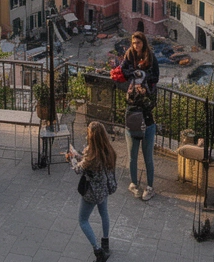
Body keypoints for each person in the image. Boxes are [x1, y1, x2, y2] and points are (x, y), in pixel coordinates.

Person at [67, 121, 118, 262]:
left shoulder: (91, 155)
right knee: (104, 213)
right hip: (104, 189)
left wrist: (72, 158)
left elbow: (78, 169)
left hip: (91, 193)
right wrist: (78, 156)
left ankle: (98, 251)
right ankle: (105, 241)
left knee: (83, 220)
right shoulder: (108, 151)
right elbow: (86, 162)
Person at [120, 31, 159, 201]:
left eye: (139, 43)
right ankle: (134, 184)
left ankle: (150, 187)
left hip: (147, 118)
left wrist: (144, 88)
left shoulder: (151, 62)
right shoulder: (129, 58)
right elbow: (122, 72)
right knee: (133, 156)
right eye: (134, 43)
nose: (136, 46)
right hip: (132, 117)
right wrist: (133, 84)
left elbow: (154, 81)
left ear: (143, 43)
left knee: (148, 157)